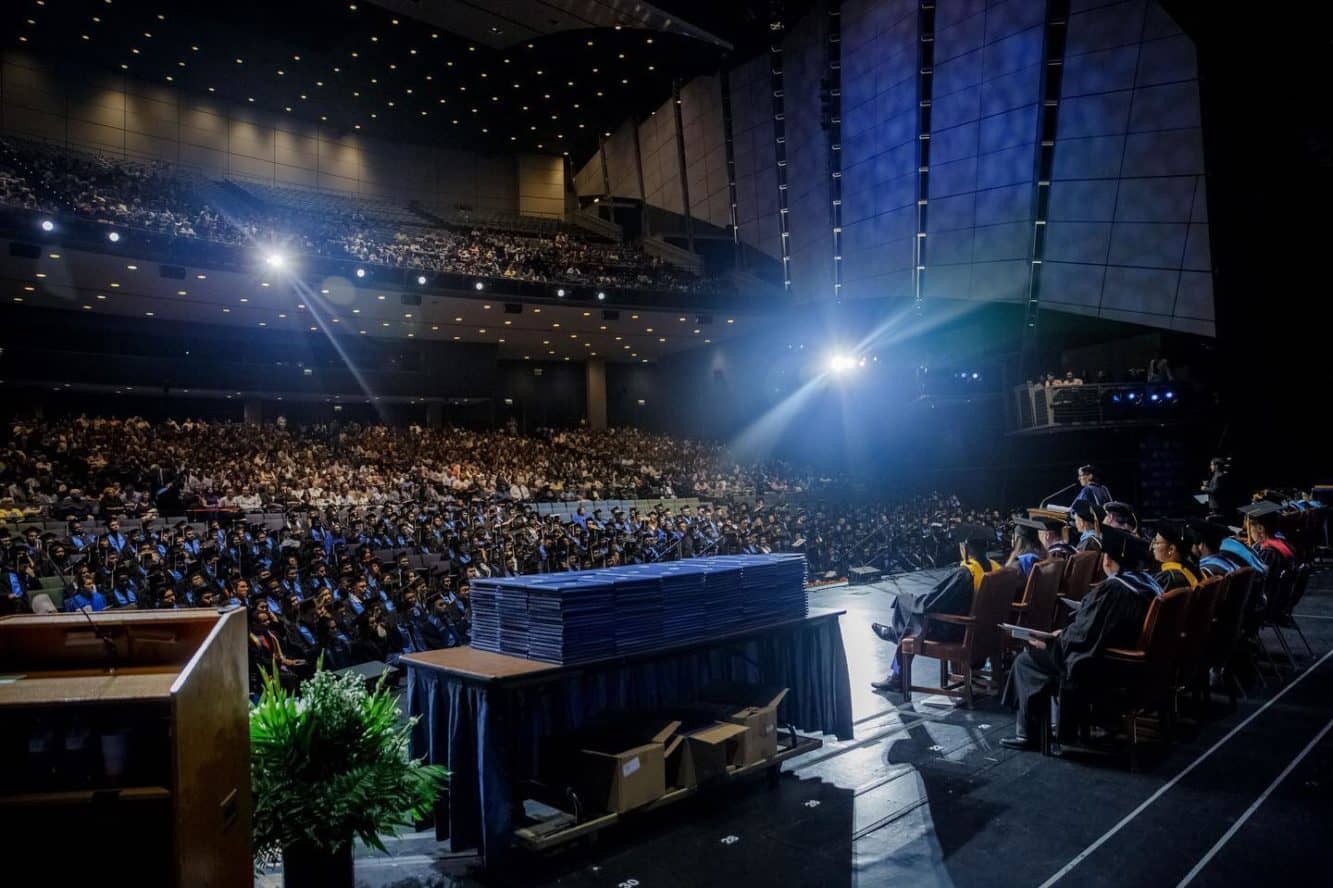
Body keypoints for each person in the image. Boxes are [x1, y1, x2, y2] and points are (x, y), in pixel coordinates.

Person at [999, 526, 1163, 749]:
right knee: (1047, 648)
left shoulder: (1116, 590)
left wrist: (1052, 641)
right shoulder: (1148, 584)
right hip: (1136, 664)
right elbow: (1097, 628)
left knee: (1026, 659)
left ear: (1110, 560)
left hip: (1109, 667)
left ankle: (1027, 734)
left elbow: (1087, 636)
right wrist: (1063, 634)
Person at [870, 524, 999, 692]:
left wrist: (907, 601)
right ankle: (895, 650)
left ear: (965, 547)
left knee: (909, 618)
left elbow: (930, 604)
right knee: (912, 620)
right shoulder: (996, 568)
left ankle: (896, 666)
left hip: (959, 632)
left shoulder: (965, 573)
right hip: (986, 630)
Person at [1149, 521, 1200, 591]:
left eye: (1157, 543)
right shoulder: (1192, 569)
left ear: (1171, 549)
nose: (1153, 546)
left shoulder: (1167, 578)